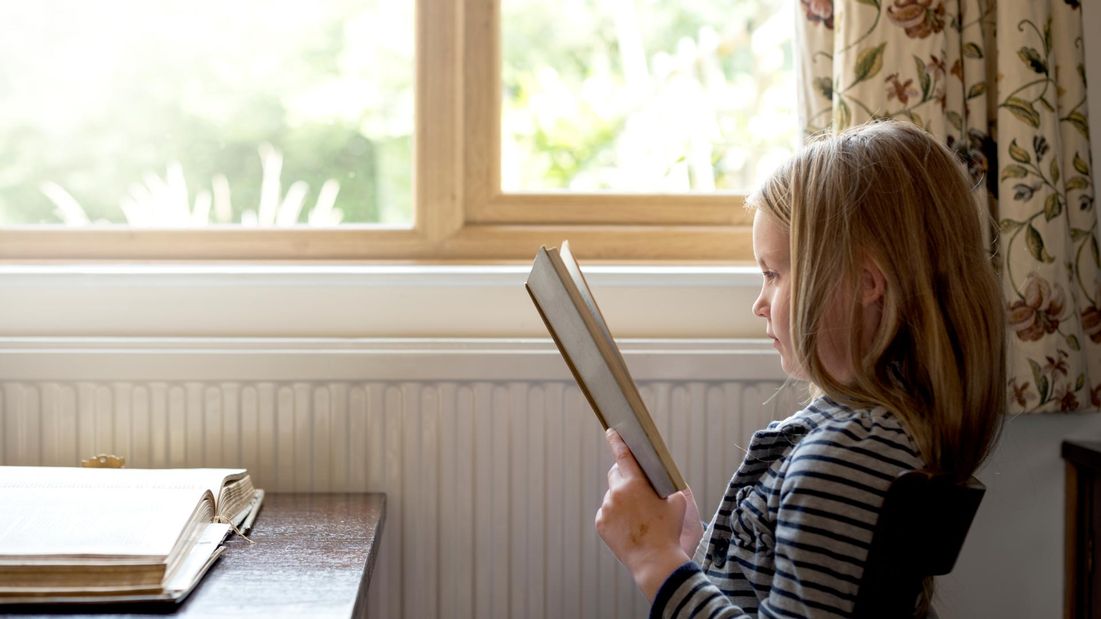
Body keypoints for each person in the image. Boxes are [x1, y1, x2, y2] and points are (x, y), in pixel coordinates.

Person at [595, 120, 1006, 618]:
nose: (759, 303)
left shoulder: (841, 460)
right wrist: (690, 551)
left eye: (773, 273)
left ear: (866, 283)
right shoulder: (873, 439)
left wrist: (652, 559)